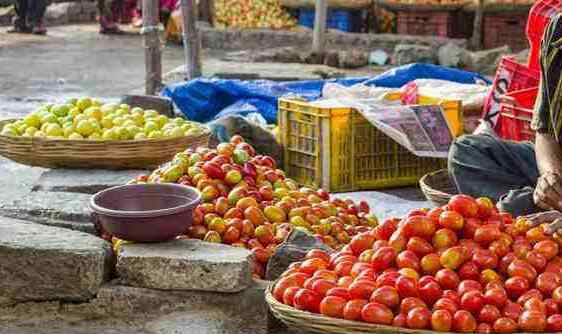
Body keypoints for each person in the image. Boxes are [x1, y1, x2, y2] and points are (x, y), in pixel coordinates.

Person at [448, 12, 562, 228]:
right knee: (466, 150)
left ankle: (532, 207)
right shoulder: (558, 31)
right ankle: (544, 202)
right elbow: (544, 131)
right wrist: (550, 177)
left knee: (513, 207)